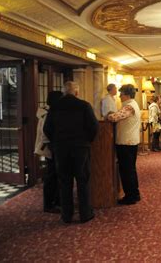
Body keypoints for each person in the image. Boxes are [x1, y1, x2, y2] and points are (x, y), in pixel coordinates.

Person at [43, 82, 98, 223]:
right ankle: (85, 214)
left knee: (64, 182)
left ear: (64, 93)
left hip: (61, 148)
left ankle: (66, 215)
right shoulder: (84, 106)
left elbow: (47, 129)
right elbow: (93, 127)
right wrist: (87, 141)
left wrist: (56, 142)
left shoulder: (55, 107)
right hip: (80, 148)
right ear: (77, 92)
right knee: (83, 180)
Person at [107, 84, 142, 205]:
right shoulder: (133, 104)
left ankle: (130, 196)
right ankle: (134, 194)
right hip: (130, 142)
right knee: (130, 169)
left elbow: (114, 117)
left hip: (126, 143)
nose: (119, 96)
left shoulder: (129, 106)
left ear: (127, 95)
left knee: (127, 170)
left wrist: (109, 115)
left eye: (121, 94)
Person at [35, 90, 63, 213]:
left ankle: (57, 201)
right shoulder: (47, 114)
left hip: (52, 147)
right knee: (51, 176)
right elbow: (45, 133)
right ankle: (49, 204)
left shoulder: (50, 112)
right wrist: (53, 148)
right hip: (50, 148)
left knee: (56, 175)